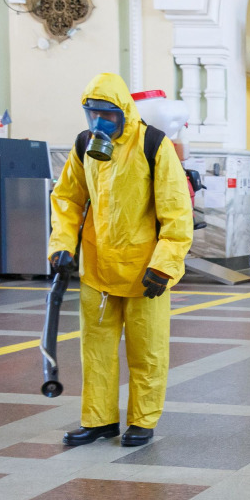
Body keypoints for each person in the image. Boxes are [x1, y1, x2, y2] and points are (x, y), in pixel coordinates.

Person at [48, 73, 194, 448]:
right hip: (97, 270)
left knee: (147, 351)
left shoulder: (153, 144)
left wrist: (166, 264)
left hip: (145, 273)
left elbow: (176, 212)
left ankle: (142, 420)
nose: (99, 124)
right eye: (91, 114)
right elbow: (67, 199)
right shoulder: (84, 146)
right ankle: (99, 421)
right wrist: (62, 245)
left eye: (107, 116)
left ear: (124, 112)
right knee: (95, 351)